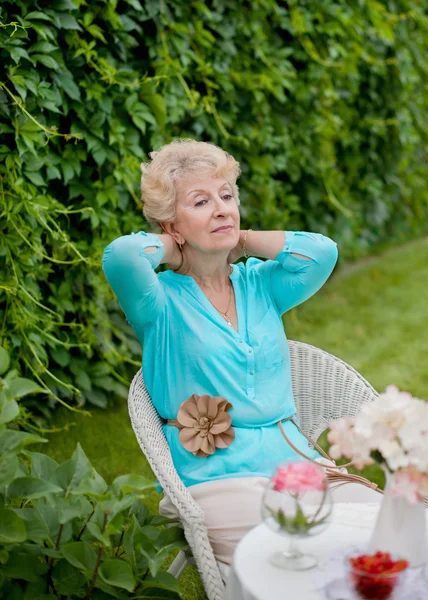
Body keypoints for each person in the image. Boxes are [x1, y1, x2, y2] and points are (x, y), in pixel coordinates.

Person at [102, 139, 380, 569]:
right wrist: (173, 248)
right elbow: (121, 256)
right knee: (293, 557)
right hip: (216, 478)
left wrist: (244, 241)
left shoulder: (261, 285)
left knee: (383, 530)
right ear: (170, 223)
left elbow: (322, 252)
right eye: (201, 201)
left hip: (296, 464)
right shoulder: (159, 304)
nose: (221, 209)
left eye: (227, 196)